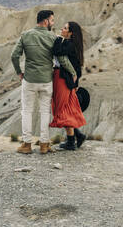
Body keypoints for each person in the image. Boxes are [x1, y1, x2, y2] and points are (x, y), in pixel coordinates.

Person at [11, 10, 77, 155]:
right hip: (47, 80)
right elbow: (62, 59)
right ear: (46, 21)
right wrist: (73, 72)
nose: (53, 23)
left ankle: (27, 145)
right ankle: (44, 145)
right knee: (44, 111)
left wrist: (19, 72)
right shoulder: (53, 37)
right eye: (52, 21)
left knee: (27, 111)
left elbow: (14, 55)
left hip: (29, 80)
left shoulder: (26, 35)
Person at [50, 21, 87, 150]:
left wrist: (58, 39)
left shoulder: (68, 44)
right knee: (67, 108)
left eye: (65, 28)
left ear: (71, 33)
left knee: (62, 109)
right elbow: (78, 68)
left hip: (63, 79)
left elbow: (56, 51)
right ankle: (77, 135)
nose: (62, 29)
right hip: (66, 79)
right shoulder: (73, 45)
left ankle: (71, 141)